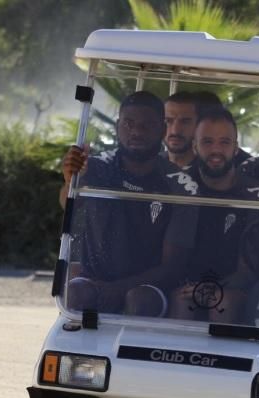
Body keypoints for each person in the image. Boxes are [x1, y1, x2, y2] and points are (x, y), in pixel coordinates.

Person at [59, 91, 200, 317]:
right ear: (117, 126)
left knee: (139, 300)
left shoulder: (180, 185)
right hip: (95, 279)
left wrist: (116, 290)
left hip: (148, 286)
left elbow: (172, 267)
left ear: (163, 130)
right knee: (75, 293)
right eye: (128, 123)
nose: (136, 131)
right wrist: (70, 179)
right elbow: (69, 208)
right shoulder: (95, 168)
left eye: (147, 125)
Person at [169, 107, 259, 322]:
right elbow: (171, 259)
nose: (216, 150)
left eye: (224, 142)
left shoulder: (257, 196)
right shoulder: (177, 187)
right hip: (185, 285)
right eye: (207, 142)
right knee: (182, 299)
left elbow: (250, 268)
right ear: (195, 146)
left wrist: (212, 288)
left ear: (236, 148)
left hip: (234, 289)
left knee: (222, 301)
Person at [163, 91, 199, 169]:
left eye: (185, 122)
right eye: (168, 121)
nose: (175, 131)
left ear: (198, 126)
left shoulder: (209, 173)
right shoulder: (149, 167)